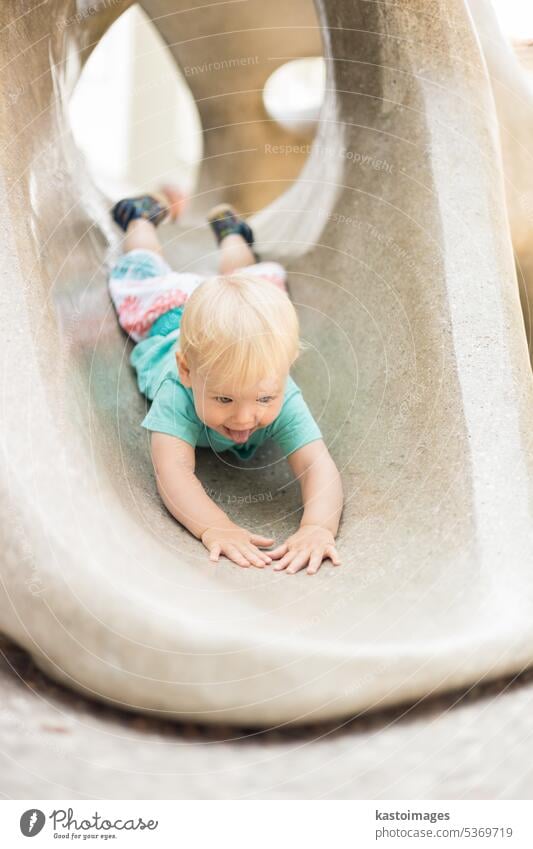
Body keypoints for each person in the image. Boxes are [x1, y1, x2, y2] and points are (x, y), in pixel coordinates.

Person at [109, 189, 343, 575]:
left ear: (286, 369)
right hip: (168, 308)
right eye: (224, 398)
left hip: (227, 316)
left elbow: (318, 466)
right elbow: (173, 472)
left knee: (254, 281)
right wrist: (216, 526)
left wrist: (318, 528)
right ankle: (141, 219)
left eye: (264, 398)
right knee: (141, 269)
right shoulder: (177, 390)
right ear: (187, 371)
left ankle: (232, 233)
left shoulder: (280, 390)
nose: (245, 417)